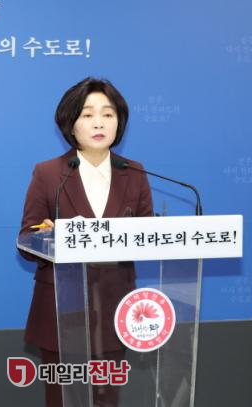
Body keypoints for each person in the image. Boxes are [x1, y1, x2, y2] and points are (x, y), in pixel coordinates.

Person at [18, 77, 153, 406]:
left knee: (107, 400)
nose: (99, 123)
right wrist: (49, 237)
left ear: (119, 122)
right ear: (71, 123)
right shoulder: (49, 173)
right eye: (88, 114)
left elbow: (148, 237)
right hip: (61, 311)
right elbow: (26, 238)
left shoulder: (134, 173)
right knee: (64, 399)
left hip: (114, 308)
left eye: (108, 114)